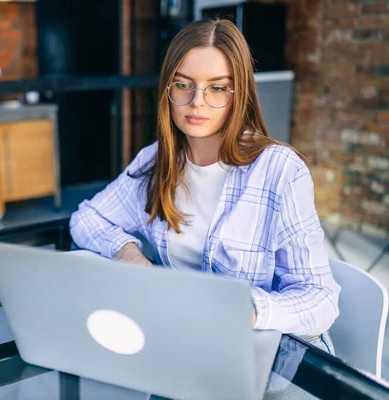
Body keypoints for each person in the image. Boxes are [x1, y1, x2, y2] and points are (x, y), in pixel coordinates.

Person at [70, 19, 340, 350]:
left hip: (273, 353)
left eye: (216, 88)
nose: (197, 101)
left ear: (239, 94)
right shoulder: (155, 163)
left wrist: (249, 311)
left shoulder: (280, 172)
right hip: (190, 343)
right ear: (167, 91)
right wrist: (126, 250)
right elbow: (85, 218)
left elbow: (320, 299)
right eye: (183, 85)